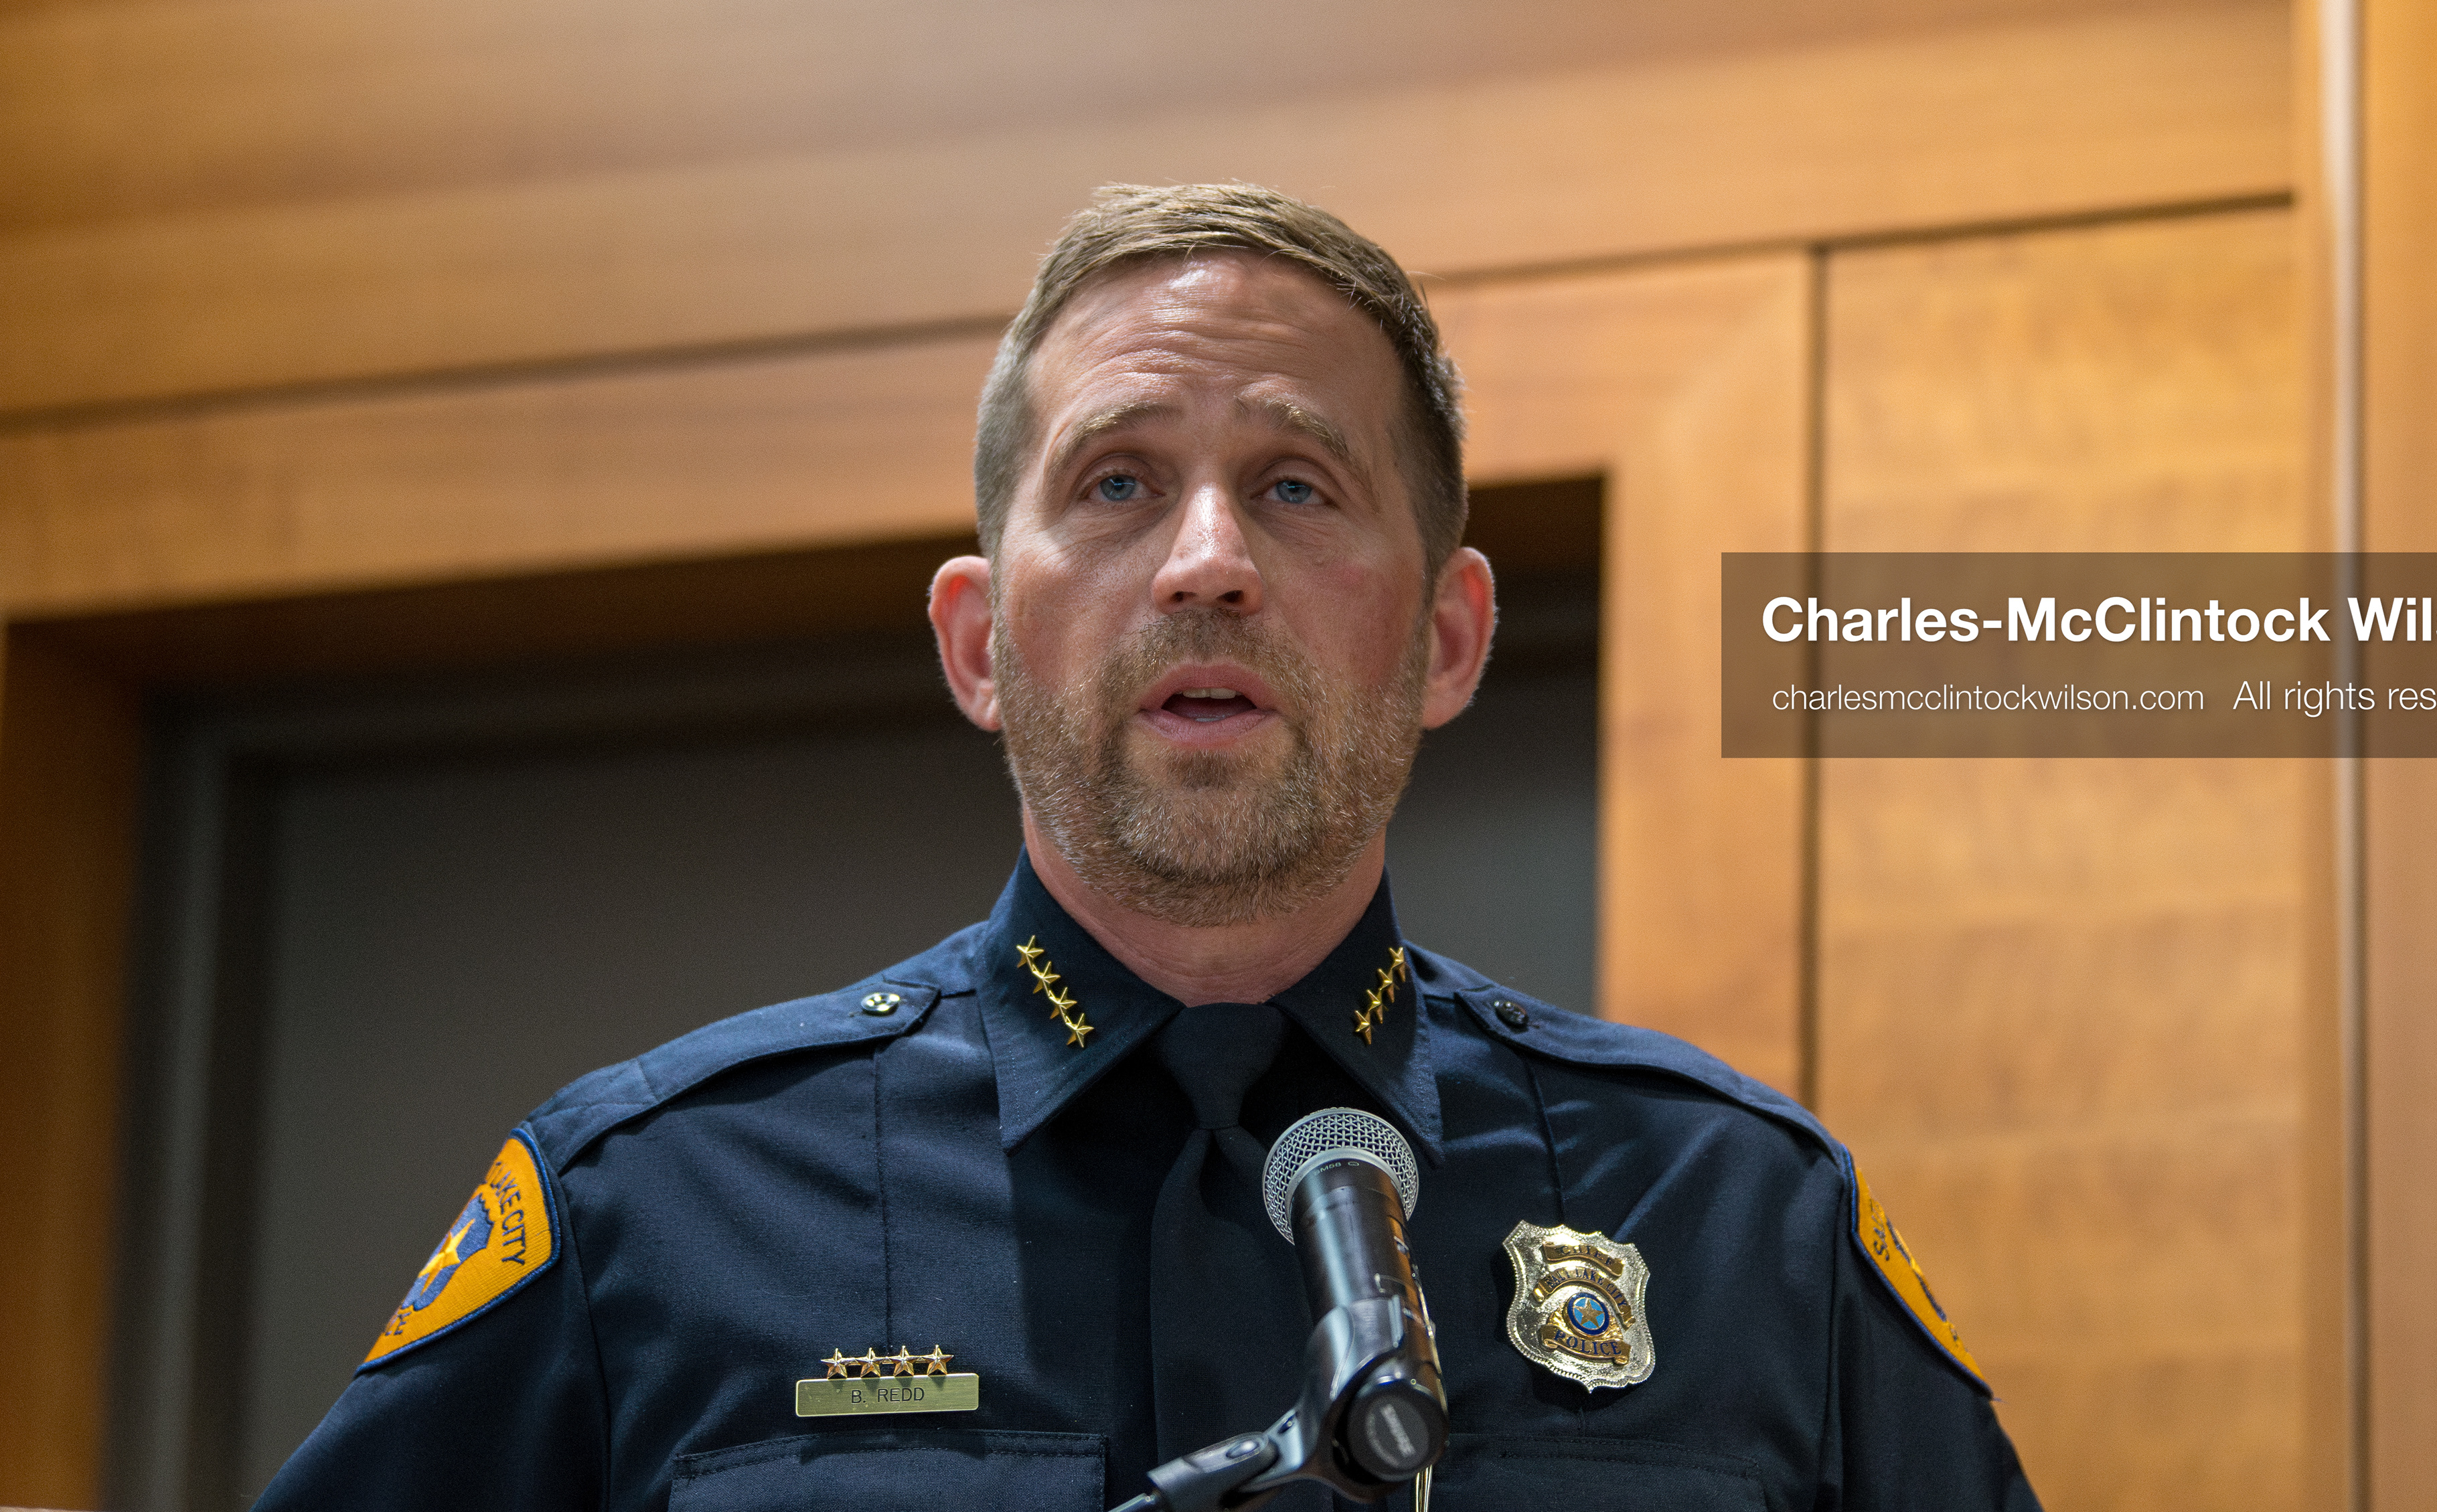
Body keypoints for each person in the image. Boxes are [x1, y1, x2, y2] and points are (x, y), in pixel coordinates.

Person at [255, 183, 2040, 1510]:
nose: (1206, 561)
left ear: (1445, 639)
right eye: (1116, 483)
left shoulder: (1742, 1227)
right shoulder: (651, 1213)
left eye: (1296, 484)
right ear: (977, 643)